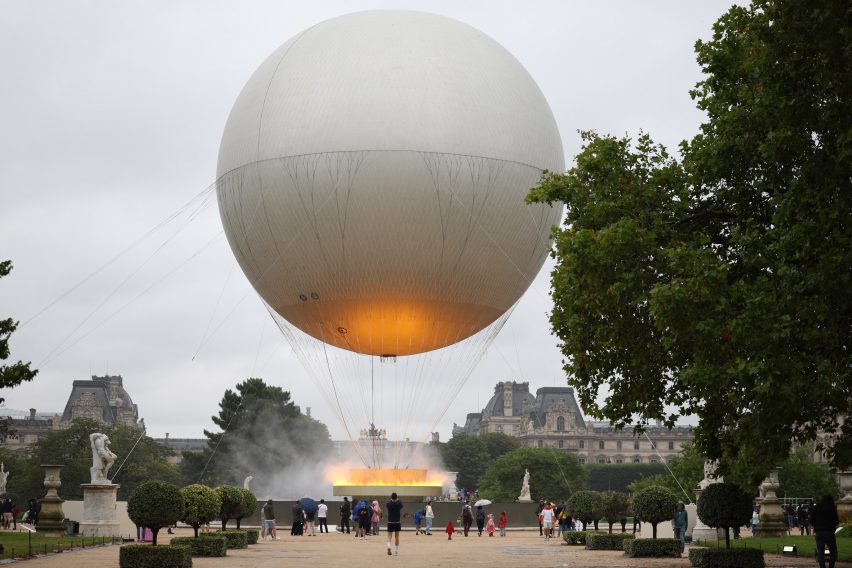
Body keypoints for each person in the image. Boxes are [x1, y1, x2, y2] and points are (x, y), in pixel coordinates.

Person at [812, 495, 839, 568]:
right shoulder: (831, 508)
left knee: (820, 552)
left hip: (818, 532)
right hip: (829, 531)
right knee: (833, 552)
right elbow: (836, 521)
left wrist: (816, 525)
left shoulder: (817, 507)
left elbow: (812, 519)